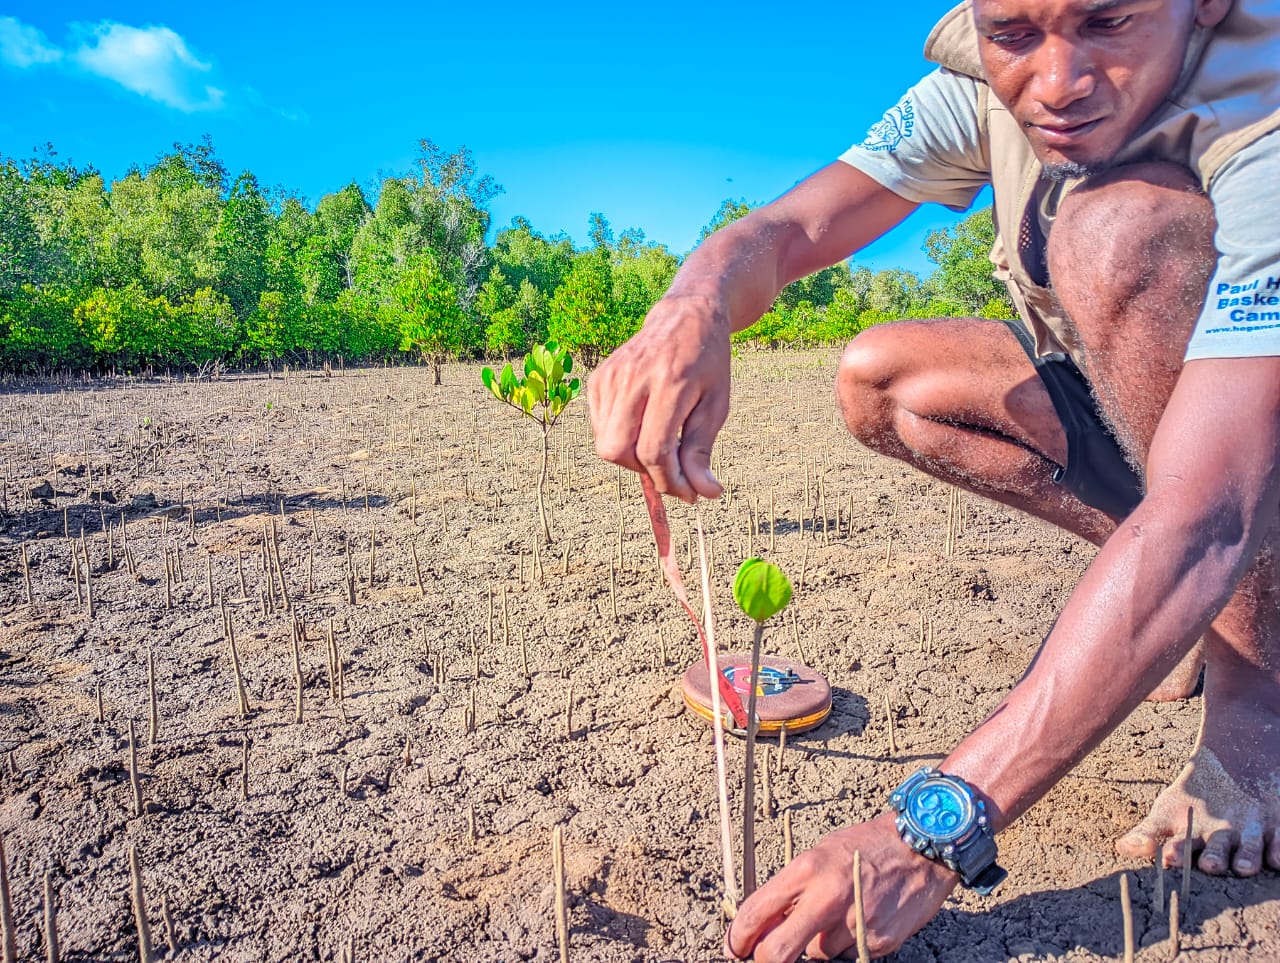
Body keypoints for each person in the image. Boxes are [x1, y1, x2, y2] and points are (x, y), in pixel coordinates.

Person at [588, 0, 1280, 958]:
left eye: (1110, 22)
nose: (1057, 82)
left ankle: (1254, 716)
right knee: (885, 377)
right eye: (1014, 34)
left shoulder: (1267, 114)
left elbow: (1212, 511)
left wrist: (933, 828)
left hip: (1248, 441)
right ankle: (1180, 610)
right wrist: (694, 301)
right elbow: (794, 228)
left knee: (1116, 234)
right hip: (1180, 446)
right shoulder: (982, 83)